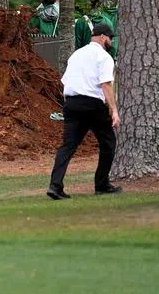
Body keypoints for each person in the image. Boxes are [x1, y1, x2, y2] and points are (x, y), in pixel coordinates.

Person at [47, 22, 121, 199]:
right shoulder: (104, 57)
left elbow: (66, 81)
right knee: (108, 142)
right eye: (110, 38)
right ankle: (101, 184)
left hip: (71, 103)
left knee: (68, 146)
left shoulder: (77, 54)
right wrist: (114, 111)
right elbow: (105, 84)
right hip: (92, 104)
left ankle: (55, 186)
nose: (111, 41)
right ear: (103, 37)